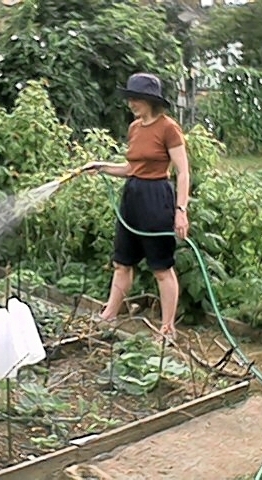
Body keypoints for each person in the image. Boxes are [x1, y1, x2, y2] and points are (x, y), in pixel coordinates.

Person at [83, 72, 190, 341]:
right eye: (129, 97)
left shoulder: (168, 128)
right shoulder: (134, 128)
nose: (130, 103)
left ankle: (167, 329)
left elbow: (183, 172)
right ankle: (109, 314)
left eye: (135, 98)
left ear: (149, 100)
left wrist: (180, 211)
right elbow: (132, 168)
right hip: (132, 196)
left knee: (161, 268)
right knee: (122, 263)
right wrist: (102, 167)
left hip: (157, 198)